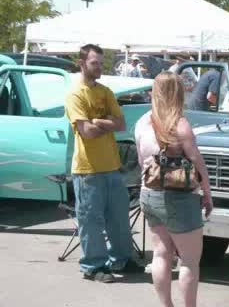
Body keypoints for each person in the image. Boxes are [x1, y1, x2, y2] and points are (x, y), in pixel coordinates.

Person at [64, 44, 143, 283]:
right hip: (87, 169)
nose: (99, 67)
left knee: (118, 217)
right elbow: (85, 132)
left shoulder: (106, 91)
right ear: (81, 64)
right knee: (91, 219)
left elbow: (120, 124)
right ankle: (93, 266)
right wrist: (103, 122)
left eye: (101, 62)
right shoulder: (75, 94)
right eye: (94, 63)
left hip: (111, 165)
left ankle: (121, 258)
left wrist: (97, 121)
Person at [135, 72, 212, 307]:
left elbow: (141, 162)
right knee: (189, 261)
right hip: (179, 198)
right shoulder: (180, 125)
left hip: (149, 194)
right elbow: (197, 162)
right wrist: (207, 193)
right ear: (178, 93)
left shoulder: (142, 122)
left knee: (161, 254)